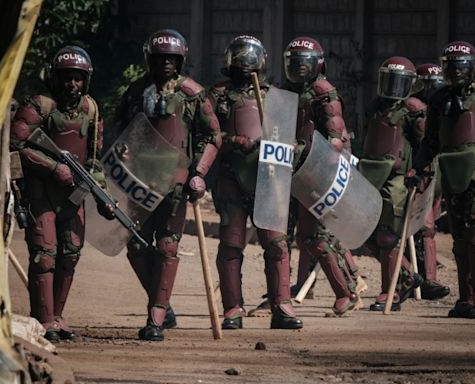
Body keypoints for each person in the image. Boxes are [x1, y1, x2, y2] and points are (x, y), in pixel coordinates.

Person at [114, 29, 222, 340]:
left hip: (175, 185)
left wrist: (199, 172)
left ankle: (156, 320)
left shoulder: (192, 94)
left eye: (171, 59)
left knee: (167, 247)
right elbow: (121, 127)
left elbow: (212, 136)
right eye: (159, 58)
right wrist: (122, 150)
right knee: (135, 246)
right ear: (149, 58)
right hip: (139, 184)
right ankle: (161, 301)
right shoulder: (136, 92)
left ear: (180, 60)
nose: (165, 64)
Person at [10, 46, 112, 342]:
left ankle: (57, 316)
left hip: (74, 195)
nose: (72, 85)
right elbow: (16, 144)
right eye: (67, 78)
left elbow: (94, 158)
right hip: (41, 193)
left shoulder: (90, 110)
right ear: (55, 77)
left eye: (78, 79)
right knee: (44, 256)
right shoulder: (39, 105)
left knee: (71, 254)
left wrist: (102, 194)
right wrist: (54, 167)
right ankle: (42, 320)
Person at [208, 35, 303, 330]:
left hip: (268, 180)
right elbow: (204, 136)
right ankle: (232, 309)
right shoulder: (217, 96)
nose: (244, 63)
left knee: (276, 244)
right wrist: (233, 141)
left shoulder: (276, 96)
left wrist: (279, 147)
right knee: (231, 245)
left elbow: (291, 142)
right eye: (239, 57)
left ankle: (282, 305)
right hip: (230, 179)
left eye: (249, 58)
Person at [283, 36, 365, 315]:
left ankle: (347, 292)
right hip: (294, 173)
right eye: (295, 63)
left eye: (304, 63)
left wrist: (299, 151)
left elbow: (334, 141)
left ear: (317, 65)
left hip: (318, 174)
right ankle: (289, 292)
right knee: (300, 236)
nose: (300, 69)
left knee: (315, 236)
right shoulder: (289, 91)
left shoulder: (324, 93)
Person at [410, 41, 475, 319]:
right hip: (451, 173)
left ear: (474, 67)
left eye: (461, 67)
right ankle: (466, 297)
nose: (456, 73)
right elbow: (430, 141)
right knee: (459, 237)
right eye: (451, 67)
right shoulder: (439, 100)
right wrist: (417, 168)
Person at [359, 56, 425, 312]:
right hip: (370, 174)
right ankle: (407, 274)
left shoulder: (413, 111)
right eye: (390, 80)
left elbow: (425, 146)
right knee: (363, 232)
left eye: (399, 82)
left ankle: (391, 292)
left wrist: (418, 173)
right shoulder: (374, 108)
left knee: (388, 236)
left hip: (398, 178)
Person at [410, 63, 450, 300]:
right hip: (416, 174)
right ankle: (416, 279)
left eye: (435, 84)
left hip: (437, 174)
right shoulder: (410, 108)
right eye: (426, 84)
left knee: (428, 229)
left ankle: (428, 279)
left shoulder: (445, 107)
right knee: (419, 229)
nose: (431, 89)